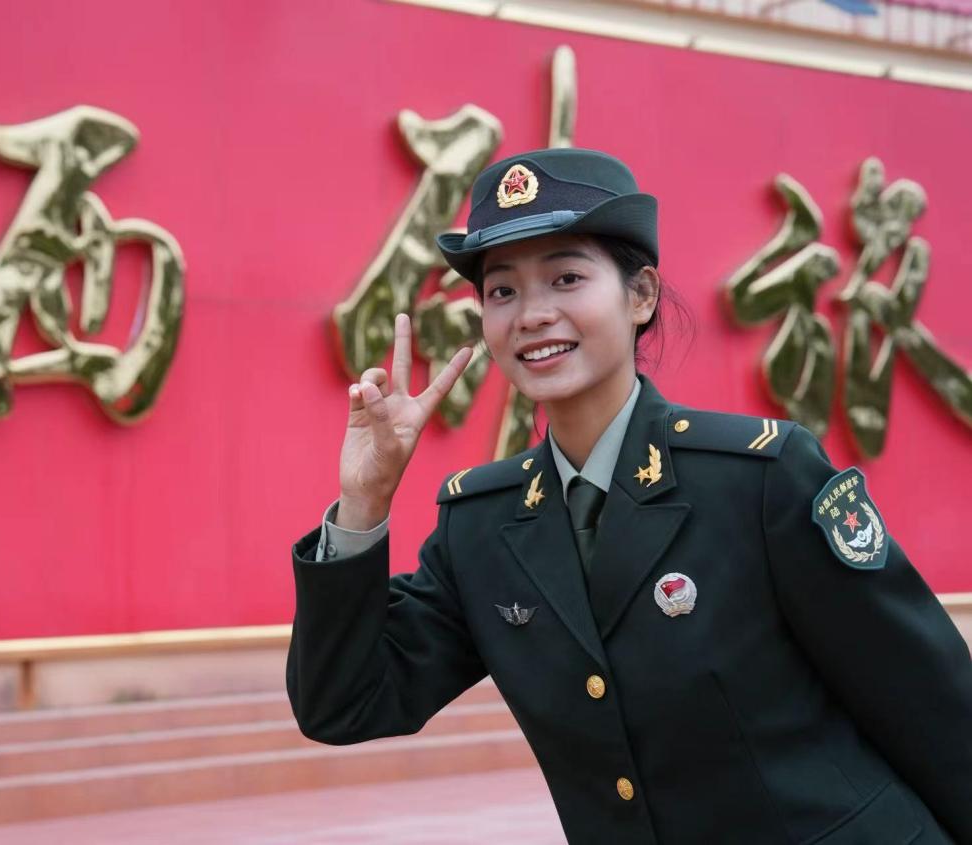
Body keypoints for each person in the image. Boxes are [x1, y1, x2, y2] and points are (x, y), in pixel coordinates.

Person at [286, 148, 972, 844]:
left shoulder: (760, 479)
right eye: (502, 291)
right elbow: (344, 703)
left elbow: (930, 702)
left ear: (640, 295)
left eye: (566, 278)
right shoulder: (482, 525)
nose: (532, 314)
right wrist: (364, 501)